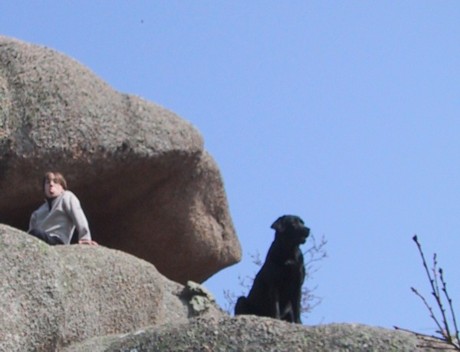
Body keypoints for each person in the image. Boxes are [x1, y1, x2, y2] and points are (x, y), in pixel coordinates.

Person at [28, 171, 98, 246]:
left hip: (58, 240)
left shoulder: (67, 197)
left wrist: (85, 237)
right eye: (48, 182)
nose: (51, 184)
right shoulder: (37, 212)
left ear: (62, 187)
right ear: (44, 188)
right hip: (39, 239)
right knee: (33, 234)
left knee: (35, 233)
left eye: (55, 182)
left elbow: (78, 216)